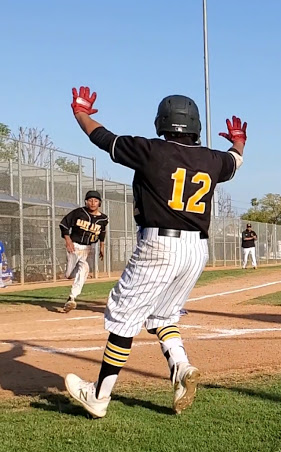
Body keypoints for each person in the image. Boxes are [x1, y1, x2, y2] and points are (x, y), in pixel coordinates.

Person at [65, 86, 247, 418]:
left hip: (159, 244)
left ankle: (99, 396)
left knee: (122, 318)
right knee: (163, 316)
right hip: (196, 249)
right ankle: (181, 367)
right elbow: (235, 160)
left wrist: (80, 114)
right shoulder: (212, 159)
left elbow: (103, 138)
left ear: (162, 122)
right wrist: (238, 140)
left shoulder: (151, 150)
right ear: (195, 125)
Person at [59, 190, 108, 311]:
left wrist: (102, 246)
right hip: (74, 246)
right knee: (69, 275)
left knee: (84, 268)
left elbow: (102, 232)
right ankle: (69, 276)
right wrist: (68, 240)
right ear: (86, 202)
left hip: (88, 248)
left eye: (96, 201)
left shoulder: (103, 218)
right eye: (90, 200)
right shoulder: (79, 212)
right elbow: (64, 224)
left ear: (99, 203)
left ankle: (72, 297)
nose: (93, 203)